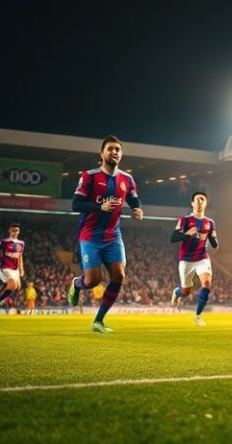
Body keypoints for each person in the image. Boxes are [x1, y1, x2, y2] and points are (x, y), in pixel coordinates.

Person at [67, 135, 143, 333]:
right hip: (90, 236)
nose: (114, 152)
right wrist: (99, 207)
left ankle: (98, 321)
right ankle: (76, 284)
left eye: (117, 149)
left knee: (119, 276)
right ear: (101, 154)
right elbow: (76, 204)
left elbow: (133, 198)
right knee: (93, 281)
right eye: (110, 149)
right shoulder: (89, 176)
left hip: (113, 236)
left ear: (121, 154)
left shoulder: (127, 179)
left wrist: (137, 209)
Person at [170, 191, 219, 326]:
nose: (199, 202)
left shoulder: (210, 222)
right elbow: (173, 238)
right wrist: (187, 234)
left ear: (206, 203)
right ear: (192, 203)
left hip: (202, 257)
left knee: (207, 284)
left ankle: (198, 316)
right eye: (197, 200)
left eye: (202, 199)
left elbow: (214, 243)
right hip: (186, 259)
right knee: (186, 292)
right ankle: (177, 292)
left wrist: (213, 239)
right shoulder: (185, 220)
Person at [0, 223, 25, 314]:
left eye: (17, 230)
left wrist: (21, 268)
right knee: (13, 285)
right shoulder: (3, 242)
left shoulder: (21, 243)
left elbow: (20, 256)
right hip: (5, 267)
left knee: (18, 287)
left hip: (15, 269)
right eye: (13, 230)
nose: (15, 232)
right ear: (9, 231)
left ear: (19, 232)